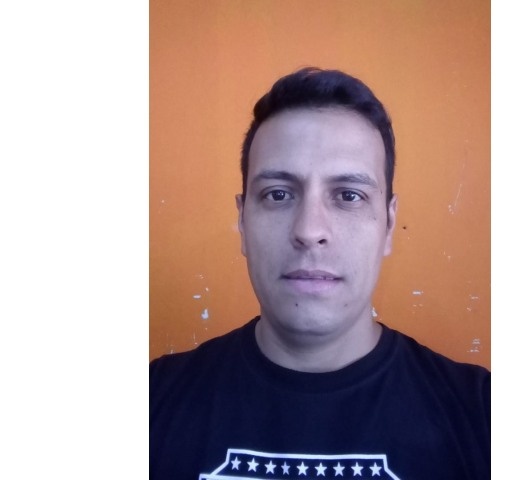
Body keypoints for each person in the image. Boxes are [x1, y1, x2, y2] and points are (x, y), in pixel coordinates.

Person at [150, 67, 490, 480]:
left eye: (349, 195)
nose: (309, 231)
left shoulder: (483, 417)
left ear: (388, 224)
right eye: (278, 194)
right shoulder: (152, 403)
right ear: (242, 221)